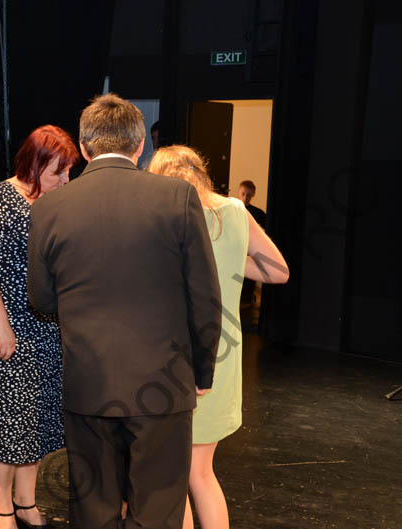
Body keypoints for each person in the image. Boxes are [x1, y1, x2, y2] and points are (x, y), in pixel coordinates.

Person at [27, 93, 222, 529]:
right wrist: (202, 371)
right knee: (157, 509)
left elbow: (41, 300)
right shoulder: (178, 197)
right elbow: (205, 296)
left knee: (93, 508)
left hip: (88, 382)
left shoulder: (49, 207)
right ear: (140, 145)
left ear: (84, 146)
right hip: (164, 382)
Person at [148, 146, 289, 529]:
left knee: (172, 477)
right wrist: (230, 260)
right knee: (201, 473)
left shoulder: (163, 215)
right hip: (221, 358)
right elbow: (277, 271)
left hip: (172, 359)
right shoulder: (236, 211)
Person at [0, 125, 79, 529]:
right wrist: (0, 325)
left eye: (68, 172)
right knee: (8, 421)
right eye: (57, 172)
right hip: (8, 324)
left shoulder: (56, 203)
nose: (65, 180)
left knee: (35, 421)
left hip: (46, 328)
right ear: (34, 165)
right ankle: (2, 506)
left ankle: (26, 501)